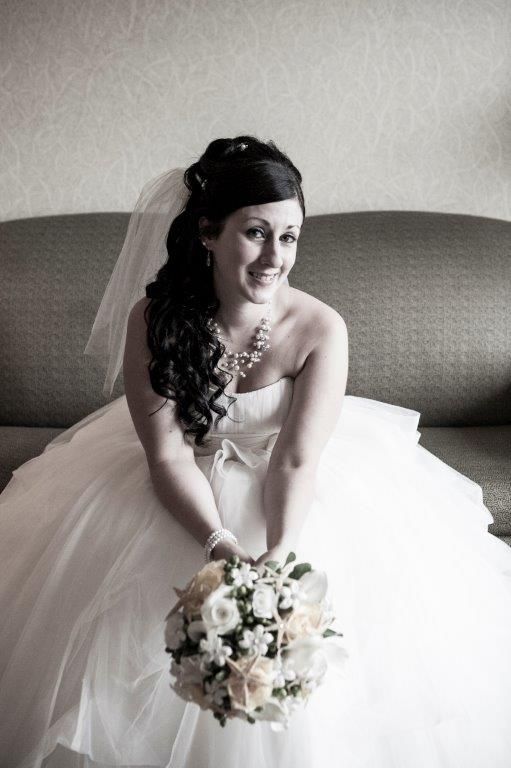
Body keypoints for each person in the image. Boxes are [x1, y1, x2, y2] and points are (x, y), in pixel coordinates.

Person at [0, 135, 511, 768]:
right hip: (181, 481)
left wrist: (280, 554)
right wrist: (219, 544)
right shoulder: (154, 320)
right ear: (208, 233)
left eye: (289, 237)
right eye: (256, 233)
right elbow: (167, 456)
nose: (275, 257)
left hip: (289, 483)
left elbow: (296, 459)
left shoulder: (320, 328)